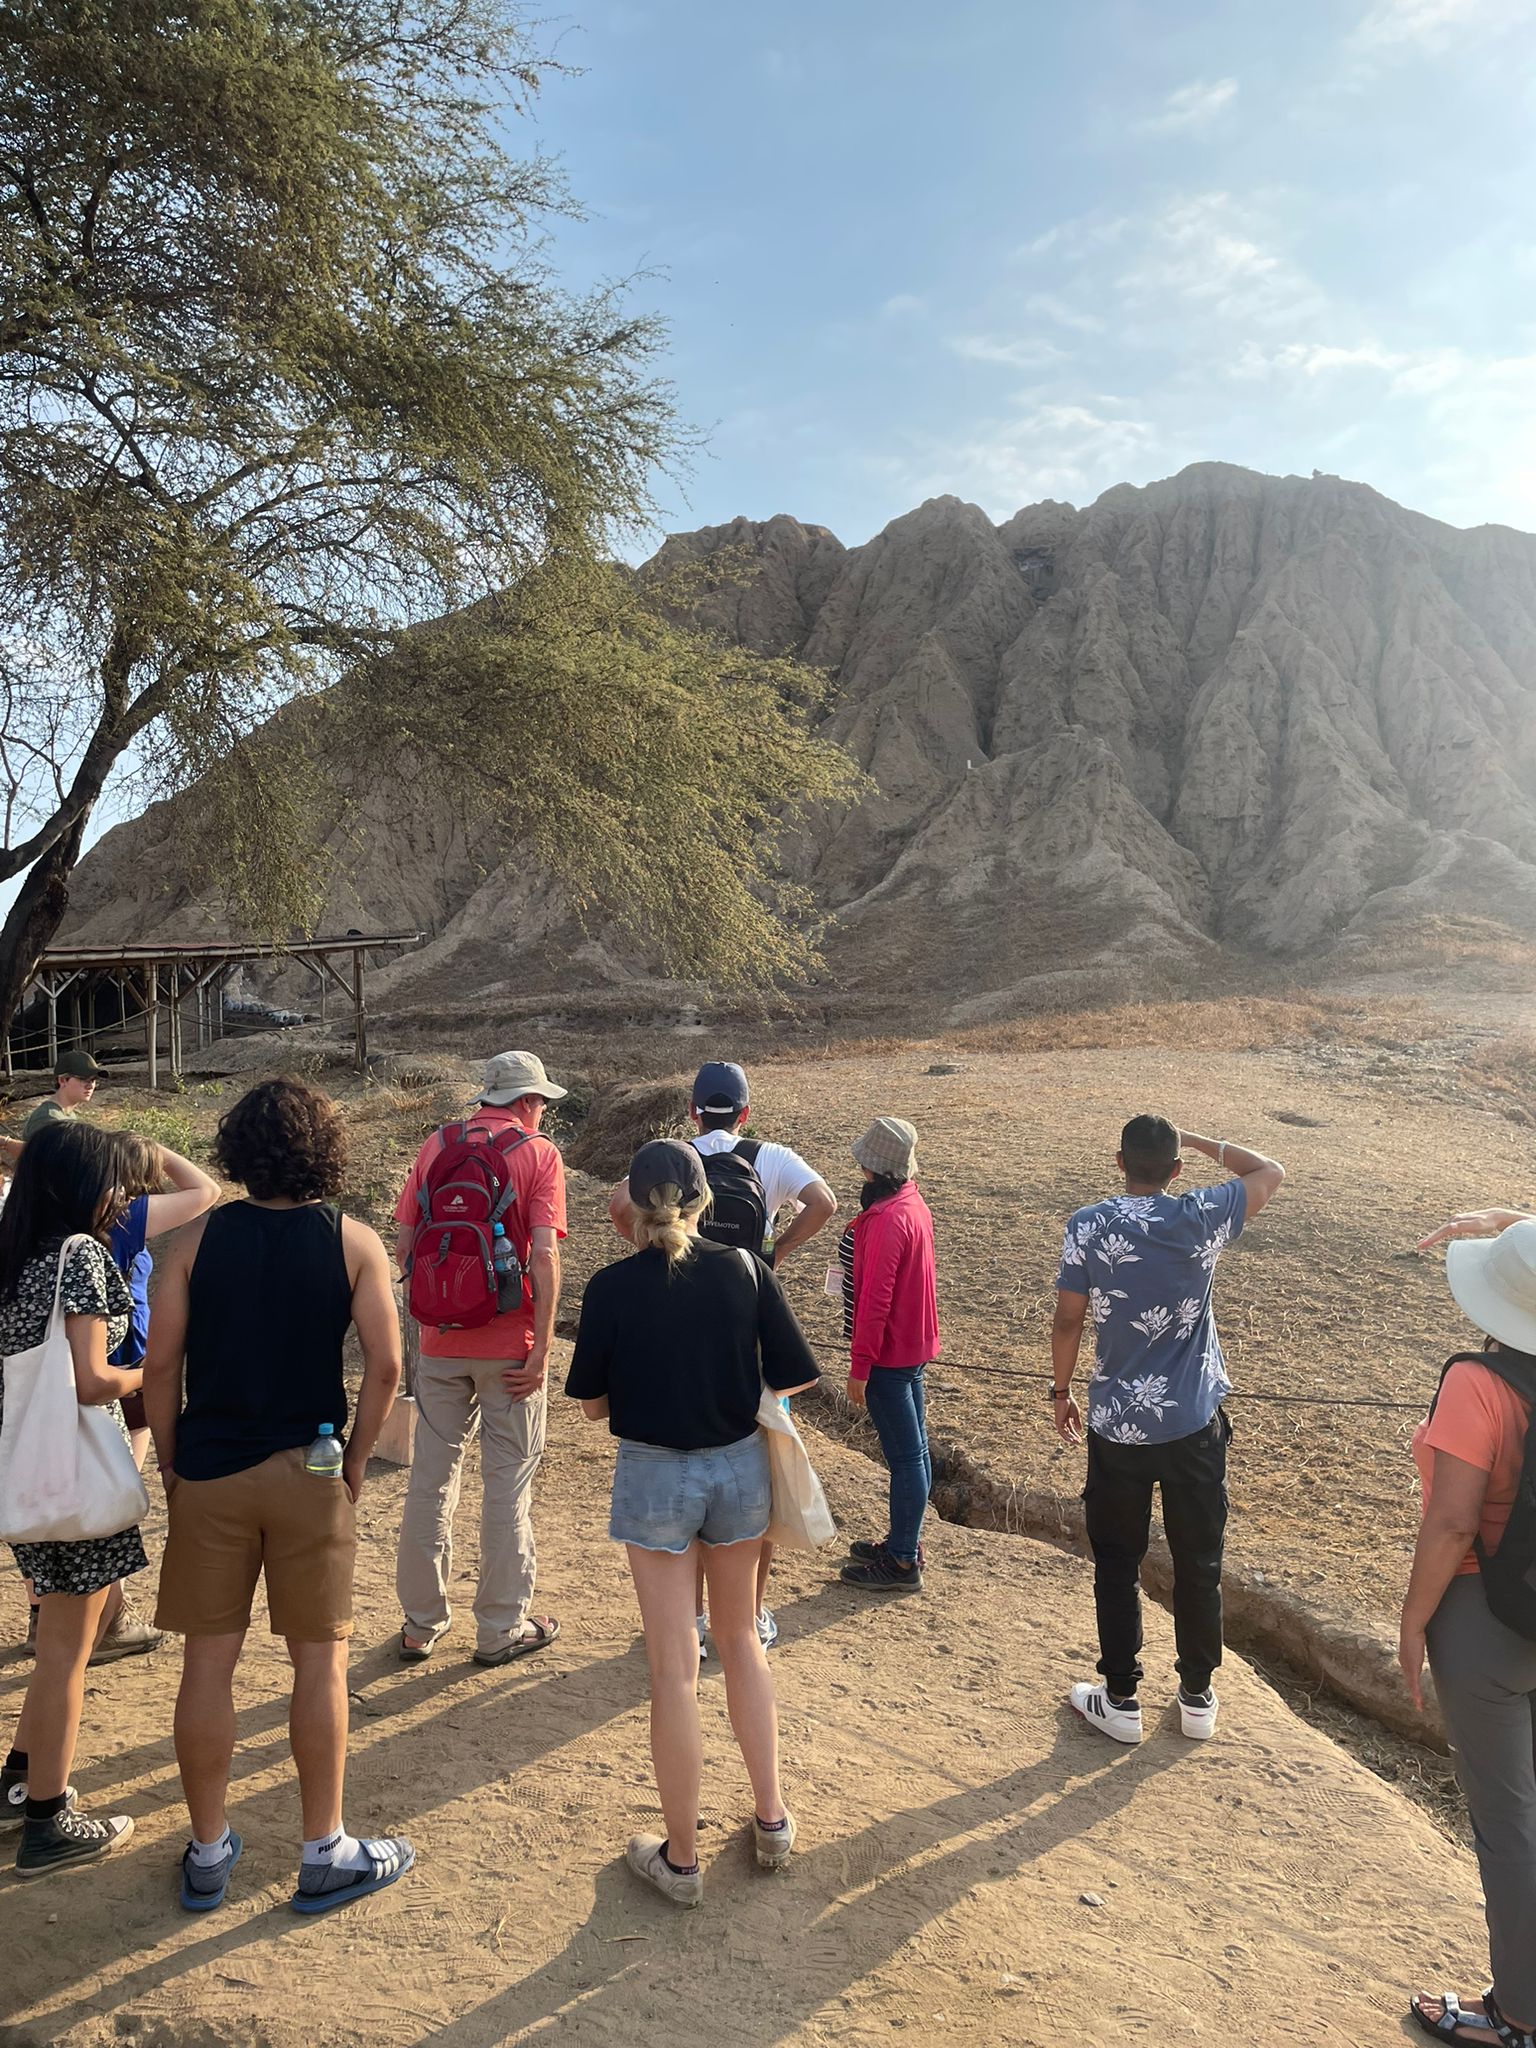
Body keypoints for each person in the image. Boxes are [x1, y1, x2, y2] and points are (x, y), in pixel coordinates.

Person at [144, 1079, 413, 1915]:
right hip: (312, 1470)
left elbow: (160, 1367)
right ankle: (324, 1848)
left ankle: (207, 1848)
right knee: (318, 1664)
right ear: (322, 1151)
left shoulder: (190, 1242)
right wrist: (358, 1461)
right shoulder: (354, 1242)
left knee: (207, 1666)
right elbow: (386, 1367)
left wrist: (172, 1461)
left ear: (237, 1151)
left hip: (213, 1471)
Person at [568, 1139, 819, 1907]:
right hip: (737, 1465)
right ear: (706, 1201)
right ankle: (771, 1819)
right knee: (740, 1640)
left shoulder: (611, 1287)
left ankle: (681, 1860)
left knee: (673, 1666)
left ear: (635, 1208)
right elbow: (796, 1374)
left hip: (653, 1474)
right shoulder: (746, 1270)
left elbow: (593, 1404)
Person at [1053, 1116, 1285, 1744]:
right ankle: (1197, 1695)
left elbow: (1068, 1320)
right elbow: (1272, 1172)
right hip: (1193, 1422)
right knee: (1199, 1560)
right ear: (1177, 1169)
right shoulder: (1201, 1214)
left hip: (1117, 1425)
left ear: (1119, 1161)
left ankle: (1121, 1697)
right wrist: (1205, 1141)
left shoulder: (1088, 1225)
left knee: (1116, 1562)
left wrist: (1061, 1391)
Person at [609, 1059, 837, 1653]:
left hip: (675, 1319)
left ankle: (688, 1617)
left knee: (683, 1450)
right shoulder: (772, 1157)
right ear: (745, 1112)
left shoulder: (672, 1157)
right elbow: (826, 1202)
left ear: (692, 1110)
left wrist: (650, 1252)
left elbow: (617, 1205)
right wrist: (773, 1256)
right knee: (749, 1464)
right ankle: (751, 1615)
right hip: (748, 1319)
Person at [1402, 1215, 1536, 2048]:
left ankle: (1519, 2014)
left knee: (1508, 1821)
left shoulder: (1478, 1385)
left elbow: (1452, 1525)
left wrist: (1413, 1626)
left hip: (1484, 1617)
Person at [0, 1122, 147, 1874]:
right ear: (81, 1186)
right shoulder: (78, 1255)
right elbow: (94, 1381)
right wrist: (154, 1376)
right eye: (114, 1182)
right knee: (66, 1653)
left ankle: (21, 1780)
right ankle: (51, 1821)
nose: (121, 1197)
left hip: (30, 1477)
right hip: (79, 1482)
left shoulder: (14, 1253)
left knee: (59, 1639)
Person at [393, 1050, 566, 1665]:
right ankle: (498, 1630)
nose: (543, 1112)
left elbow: (407, 1243)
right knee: (506, 1486)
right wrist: (542, 1349)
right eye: (542, 1101)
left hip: (440, 1343)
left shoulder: (436, 1144)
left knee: (430, 1481)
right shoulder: (539, 1154)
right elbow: (543, 1257)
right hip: (511, 1349)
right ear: (526, 1102)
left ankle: (419, 1623)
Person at [837, 1118, 939, 1595]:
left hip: (888, 1356)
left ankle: (901, 1562)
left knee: (905, 1459)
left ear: (872, 1168)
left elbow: (873, 1301)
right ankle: (904, 1544)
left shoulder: (884, 1219)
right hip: (911, 1349)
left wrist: (860, 1368)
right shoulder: (911, 1203)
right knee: (914, 1453)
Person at [22, 1051, 105, 1140]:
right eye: (83, 1079)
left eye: (93, 1080)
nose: (90, 1086)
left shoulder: (68, 1114)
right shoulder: (48, 1118)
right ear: (62, 1080)